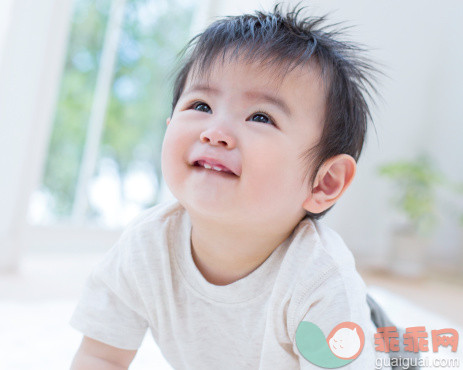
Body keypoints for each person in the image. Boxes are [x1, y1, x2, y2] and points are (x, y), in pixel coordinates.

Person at [69, 4, 395, 369]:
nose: (215, 132)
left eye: (260, 116)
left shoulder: (320, 280)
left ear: (324, 182)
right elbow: (101, 355)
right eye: (201, 105)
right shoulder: (146, 248)